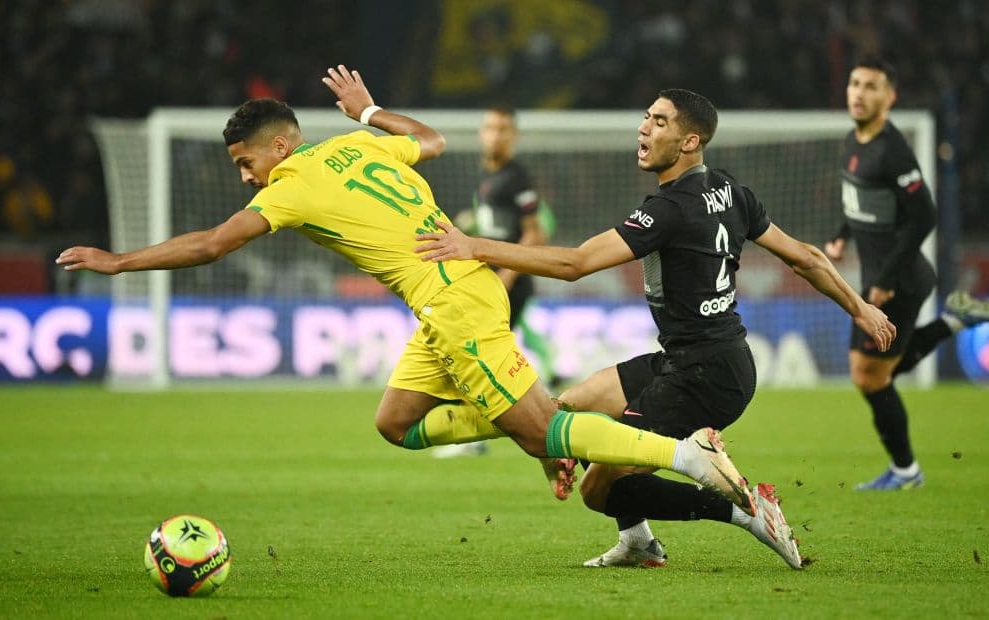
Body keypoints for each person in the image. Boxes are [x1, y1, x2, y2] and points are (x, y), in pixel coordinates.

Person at [56, 65, 760, 514]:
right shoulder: (357, 144)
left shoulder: (291, 184)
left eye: (246, 163)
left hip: (454, 297)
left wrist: (119, 262)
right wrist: (368, 112)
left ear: (280, 147)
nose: (246, 177)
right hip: (450, 293)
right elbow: (431, 139)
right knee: (397, 423)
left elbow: (213, 243)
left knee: (545, 430)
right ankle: (537, 419)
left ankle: (685, 456)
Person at [415, 88, 897, 569]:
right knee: (571, 408)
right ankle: (639, 542)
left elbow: (574, 264)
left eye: (660, 122)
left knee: (597, 490)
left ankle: (748, 513)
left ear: (690, 142)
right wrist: (860, 309)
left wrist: (475, 246)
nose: (644, 127)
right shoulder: (731, 191)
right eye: (647, 116)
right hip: (698, 359)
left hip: (705, 377)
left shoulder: (669, 210)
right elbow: (806, 257)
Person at [825, 58, 989, 491]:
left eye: (871, 86)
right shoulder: (853, 141)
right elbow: (859, 201)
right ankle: (954, 320)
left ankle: (907, 472)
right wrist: (841, 236)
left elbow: (924, 215)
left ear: (889, 97)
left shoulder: (892, 151)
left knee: (871, 376)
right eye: (855, 83)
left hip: (901, 281)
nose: (859, 93)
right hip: (880, 277)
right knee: (873, 372)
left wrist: (887, 279)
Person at [433, 104, 555, 458]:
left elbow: (535, 233)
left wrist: (506, 277)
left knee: (475, 353)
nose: (494, 135)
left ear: (513, 136)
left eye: (502, 129)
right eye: (489, 128)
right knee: (481, 354)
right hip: (492, 280)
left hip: (509, 282)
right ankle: (540, 416)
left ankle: (495, 431)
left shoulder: (518, 177)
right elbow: (496, 226)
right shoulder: (487, 177)